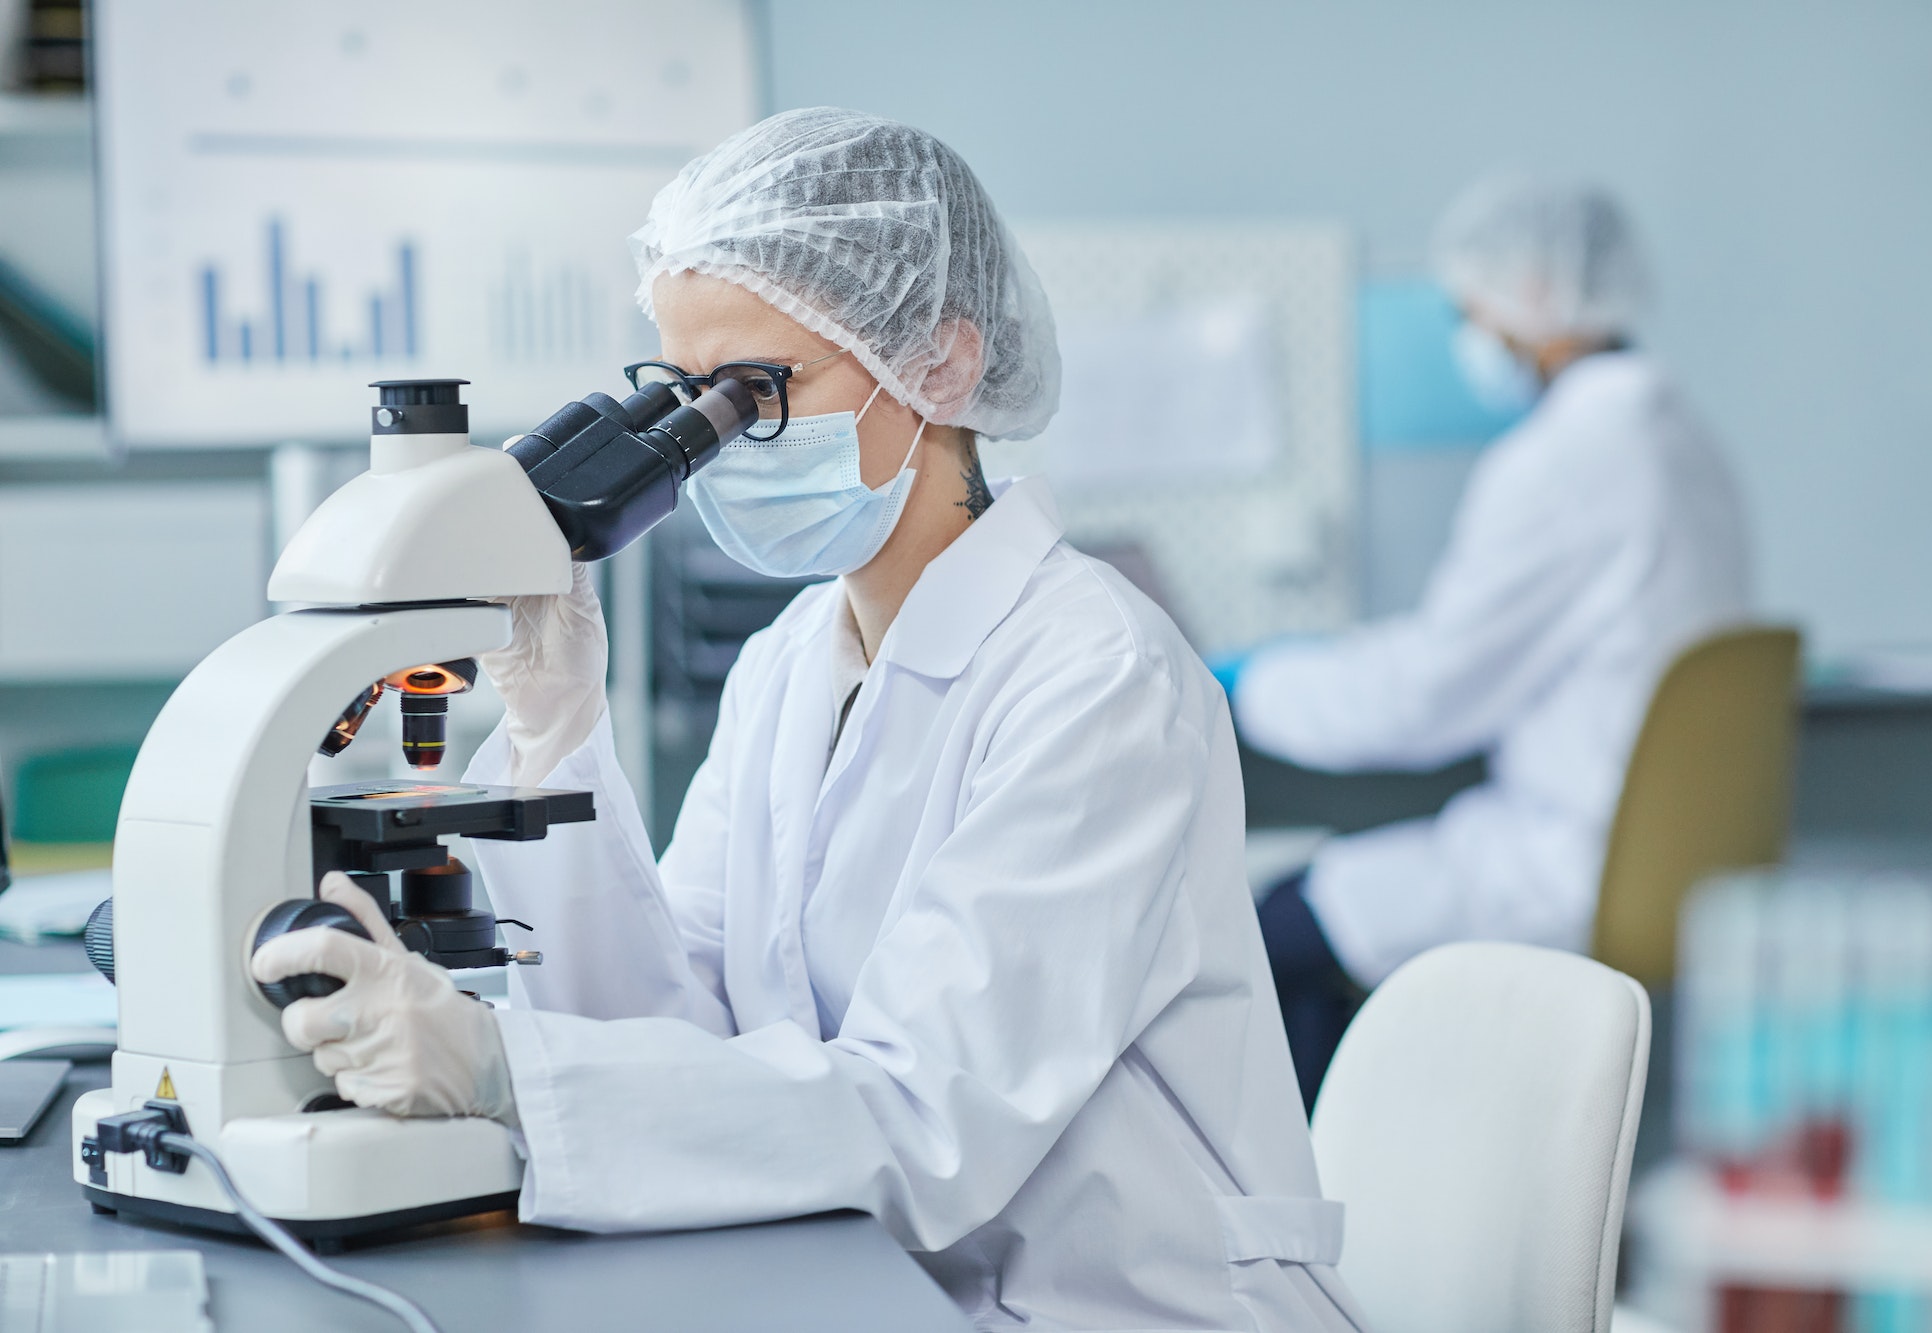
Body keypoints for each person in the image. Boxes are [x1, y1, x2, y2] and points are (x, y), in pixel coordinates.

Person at [252, 108, 1367, 1332]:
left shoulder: (1098, 676)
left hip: (1115, 1306)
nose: (712, 445)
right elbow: (672, 1031)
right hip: (868, 1284)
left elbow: (925, 1116)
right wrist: (555, 722)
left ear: (936, 364)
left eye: (756, 391)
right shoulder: (790, 663)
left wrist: (498, 1069)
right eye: (684, 394)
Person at [1235, 174, 1751, 1103]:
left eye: (1475, 310)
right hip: (1644, 848)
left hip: (1567, 858)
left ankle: (1308, 1239)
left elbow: (1428, 694)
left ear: (1541, 297)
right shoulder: (1682, 438)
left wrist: (1249, 683)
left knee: (1275, 932)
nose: (1471, 336)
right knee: (1312, 918)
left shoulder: (1564, 458)